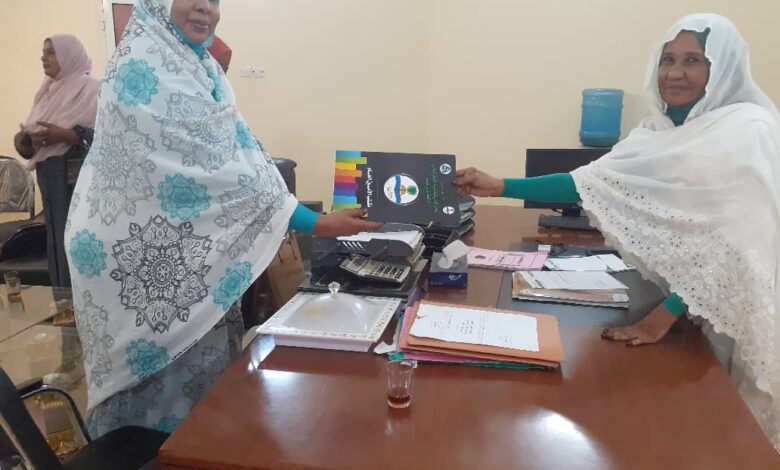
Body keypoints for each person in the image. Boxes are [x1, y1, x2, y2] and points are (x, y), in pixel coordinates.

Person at [454, 14, 780, 450]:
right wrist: (500, 186)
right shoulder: (658, 132)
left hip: (731, 312)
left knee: (722, 436)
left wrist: (667, 312)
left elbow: (741, 242)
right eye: (667, 59)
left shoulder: (748, 129)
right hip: (691, 311)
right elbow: (591, 182)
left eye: (692, 60)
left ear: (721, 69)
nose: (675, 73)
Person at [65, 0, 381, 437]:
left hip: (191, 254)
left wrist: (310, 218)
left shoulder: (198, 67)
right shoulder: (143, 67)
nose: (205, 7)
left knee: (206, 398)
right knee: (155, 411)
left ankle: (198, 448)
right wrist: (316, 223)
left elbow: (241, 158)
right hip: (136, 260)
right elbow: (220, 176)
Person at [14, 35, 99, 287]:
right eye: (43, 52)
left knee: (79, 243)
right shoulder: (46, 92)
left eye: (51, 52)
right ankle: (62, 303)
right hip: (50, 179)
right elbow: (32, 139)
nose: (44, 57)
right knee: (57, 243)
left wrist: (65, 136)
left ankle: (84, 305)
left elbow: (108, 136)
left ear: (69, 55)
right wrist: (24, 141)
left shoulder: (93, 89)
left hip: (79, 184)